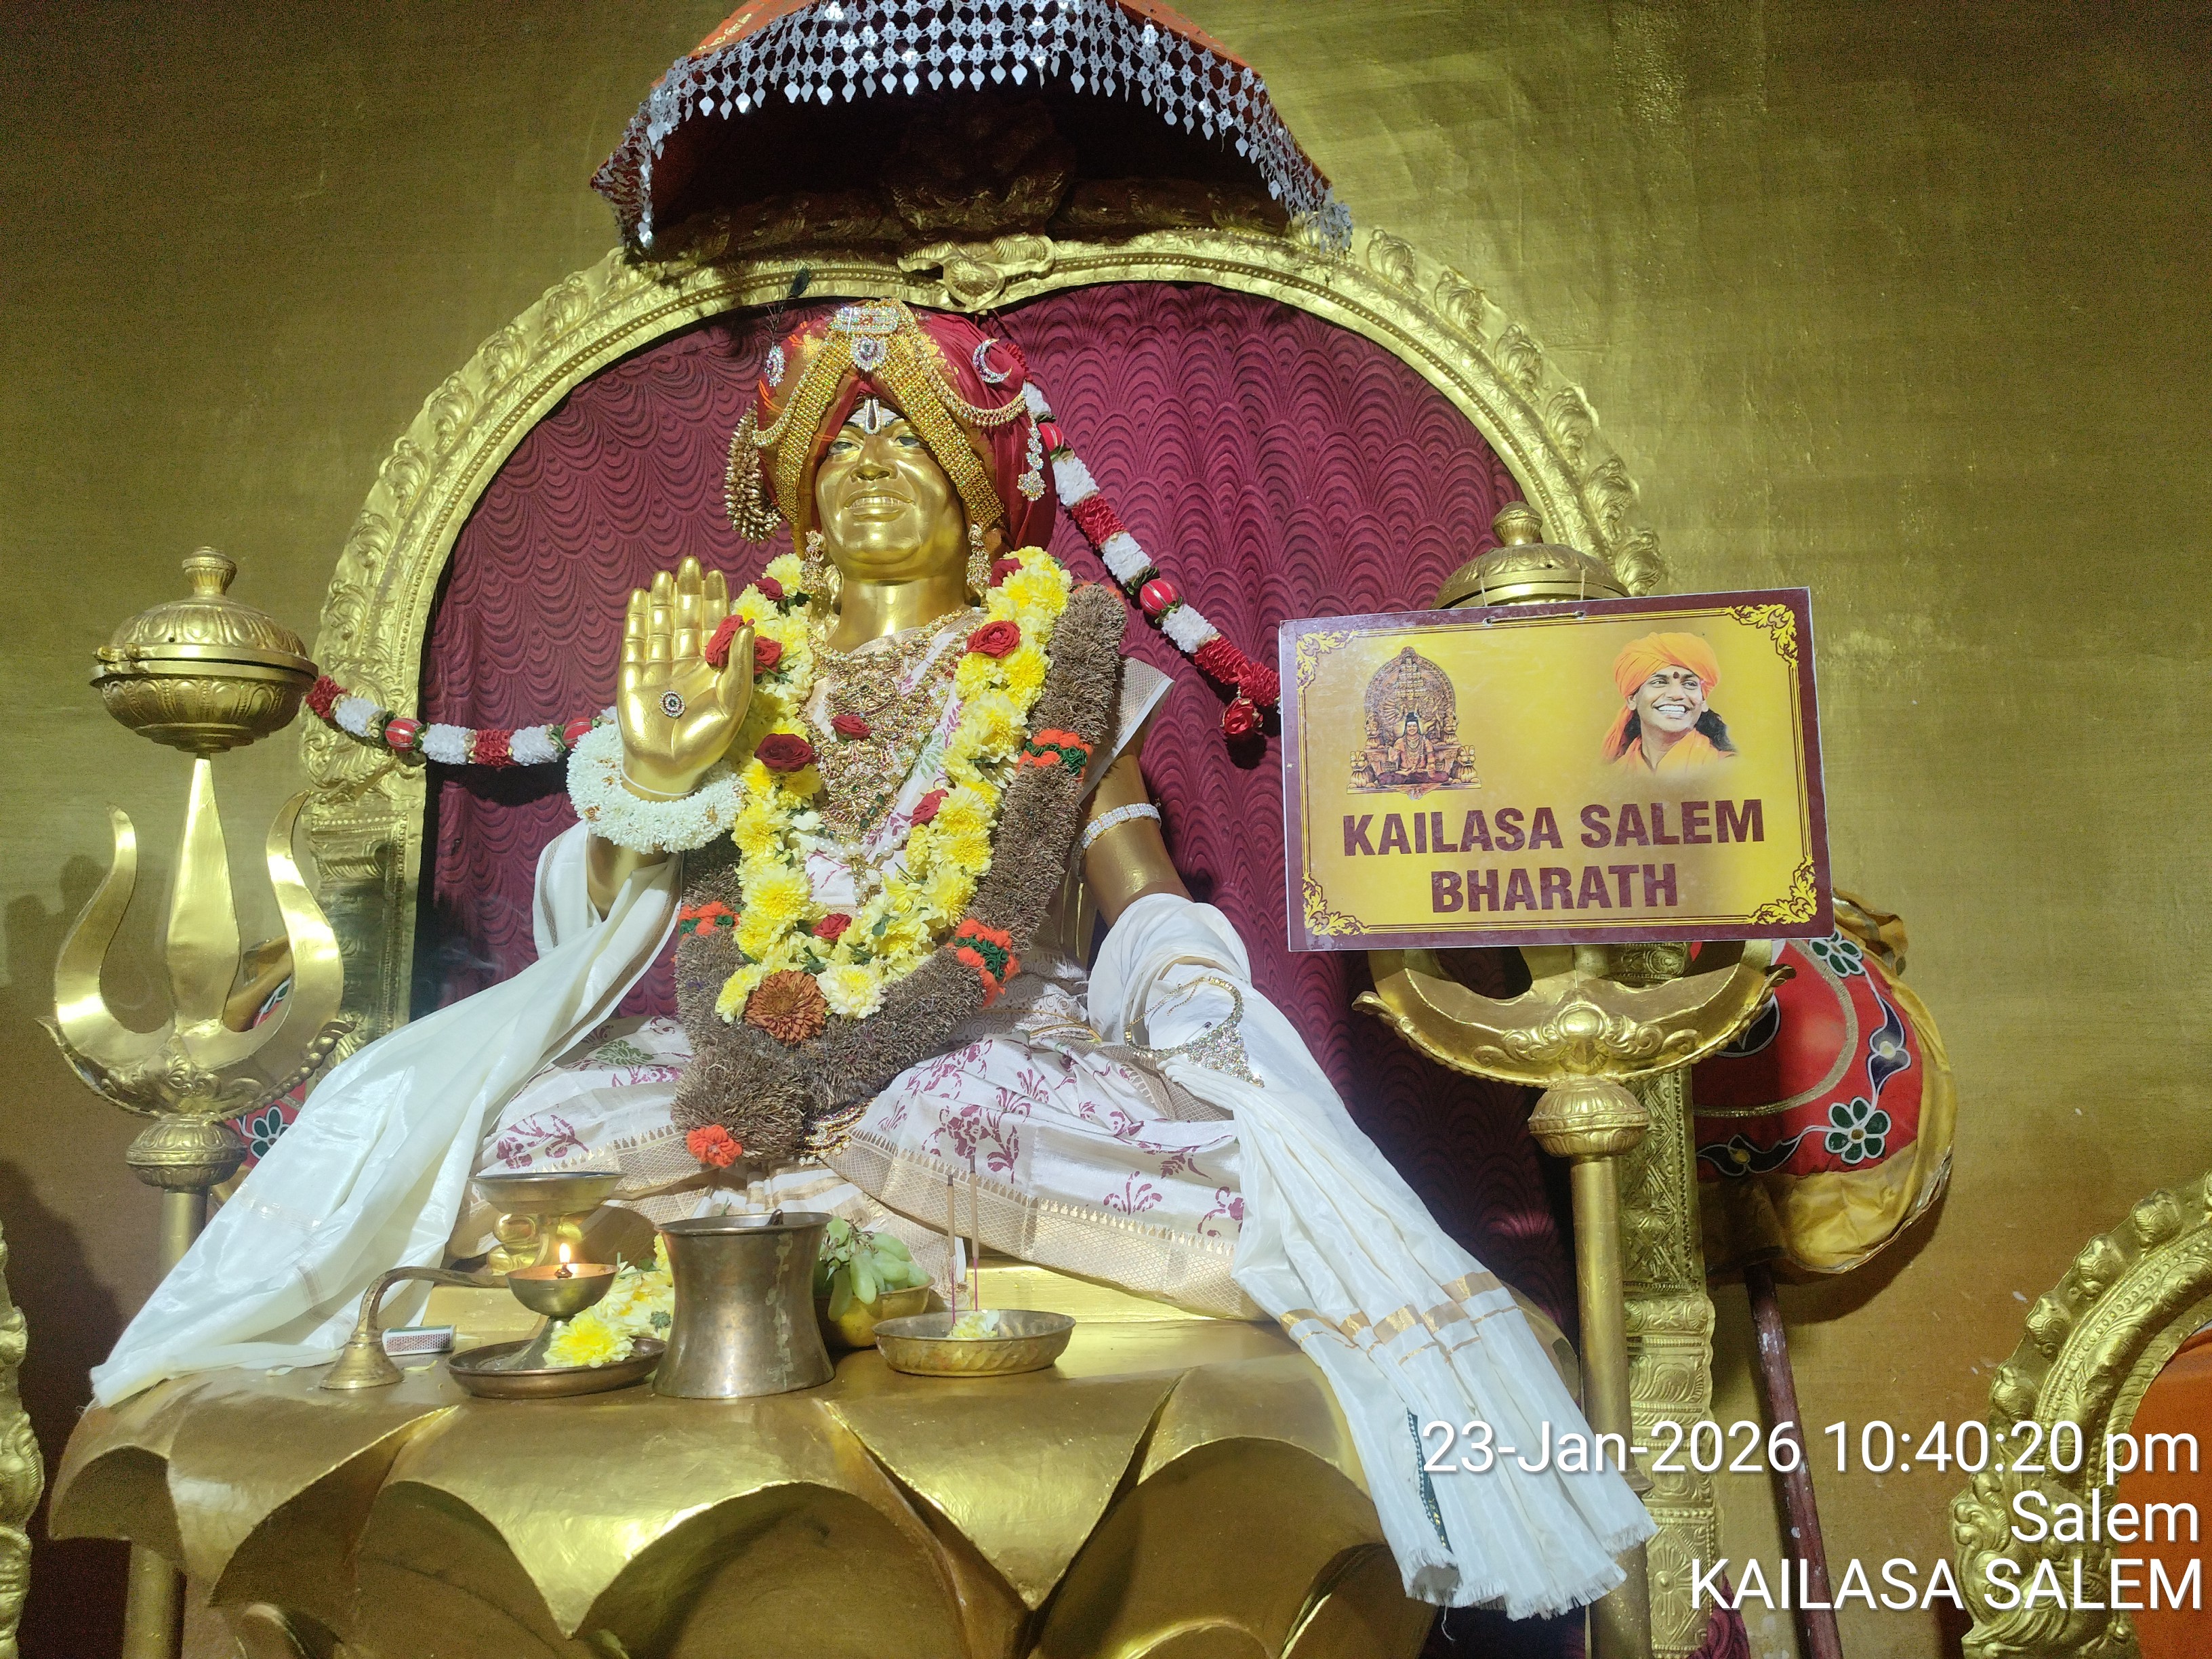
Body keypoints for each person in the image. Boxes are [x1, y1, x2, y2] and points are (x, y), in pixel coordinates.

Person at [94, 301, 1649, 1617]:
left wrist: (1189, 993)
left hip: (993, 1032)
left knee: (1165, 1174)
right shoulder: (742, 668)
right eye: (842, 449)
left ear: (981, 495)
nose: (874, 471)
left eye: (911, 445)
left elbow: (1131, 876)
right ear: (793, 498)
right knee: (490, 1158)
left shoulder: (1061, 657)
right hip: (742, 1040)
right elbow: (626, 909)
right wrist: (654, 780)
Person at [1603, 632, 1738, 772]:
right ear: (1632, 699)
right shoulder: (1614, 774)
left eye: (1690, 684)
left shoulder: (1728, 769)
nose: (1676, 695)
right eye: (1659, 682)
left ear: (1703, 701)